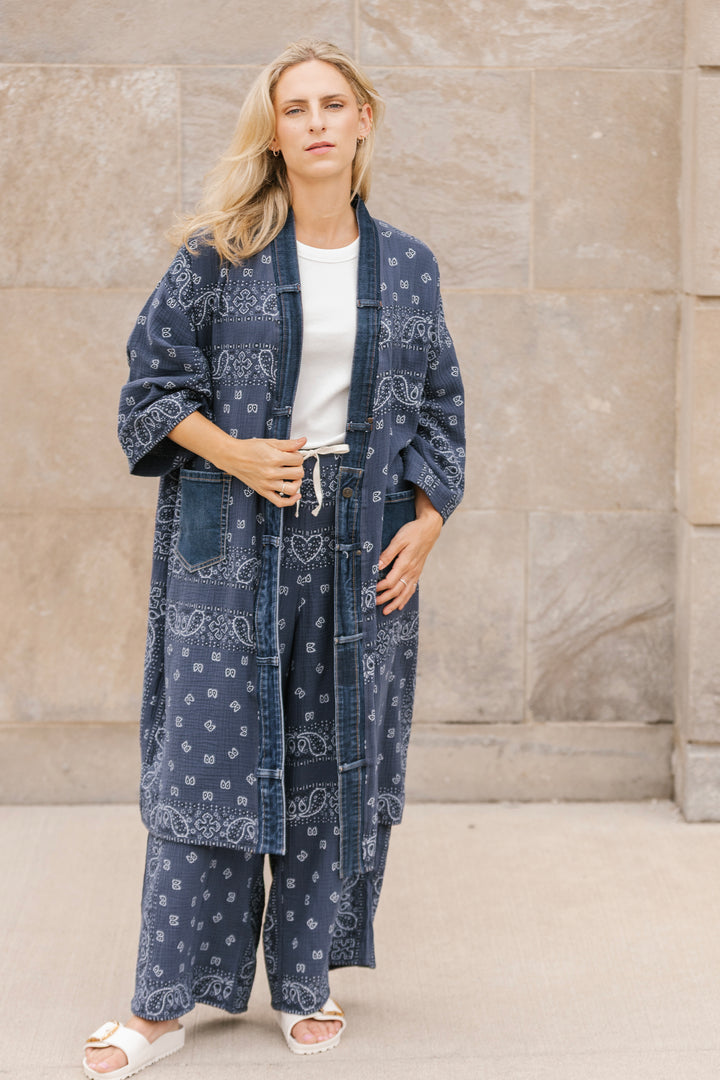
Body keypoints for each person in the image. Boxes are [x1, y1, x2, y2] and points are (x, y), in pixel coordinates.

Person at [82, 38, 465, 1079]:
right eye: (294, 108)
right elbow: (150, 391)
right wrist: (236, 454)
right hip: (233, 540)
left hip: (361, 542)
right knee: (206, 763)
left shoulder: (412, 266)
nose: (315, 124)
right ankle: (163, 1004)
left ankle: (304, 978)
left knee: (330, 765)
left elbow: (439, 409)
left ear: (364, 121)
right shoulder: (220, 252)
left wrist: (427, 523)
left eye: (333, 104)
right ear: (275, 129)